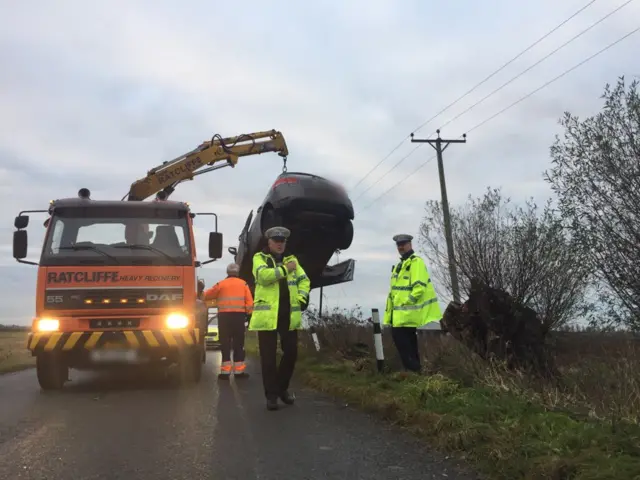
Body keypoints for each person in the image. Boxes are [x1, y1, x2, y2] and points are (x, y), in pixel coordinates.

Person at [249, 226, 310, 411]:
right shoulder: (259, 258)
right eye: (276, 241)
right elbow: (263, 276)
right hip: (267, 315)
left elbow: (304, 280)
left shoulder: (293, 260)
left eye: (282, 241)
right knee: (268, 358)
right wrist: (284, 269)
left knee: (291, 353)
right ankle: (271, 396)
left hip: (288, 315)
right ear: (269, 242)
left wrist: (301, 298)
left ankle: (282, 389)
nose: (279, 244)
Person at [383, 233, 442, 373]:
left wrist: (406, 303)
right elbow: (394, 292)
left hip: (407, 314)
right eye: (398, 245)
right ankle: (415, 374)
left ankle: (414, 373)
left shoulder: (416, 263)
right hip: (399, 316)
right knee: (408, 347)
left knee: (405, 346)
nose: (400, 247)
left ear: (410, 244)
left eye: (403, 244)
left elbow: (419, 288)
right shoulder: (400, 265)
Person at [201, 263, 254, 379]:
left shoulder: (221, 284)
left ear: (227, 272)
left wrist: (199, 294)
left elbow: (206, 295)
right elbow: (250, 303)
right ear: (237, 273)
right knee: (238, 344)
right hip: (239, 318)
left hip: (224, 317)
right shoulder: (243, 284)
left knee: (224, 343)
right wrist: (248, 314)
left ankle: (225, 373)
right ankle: (239, 372)